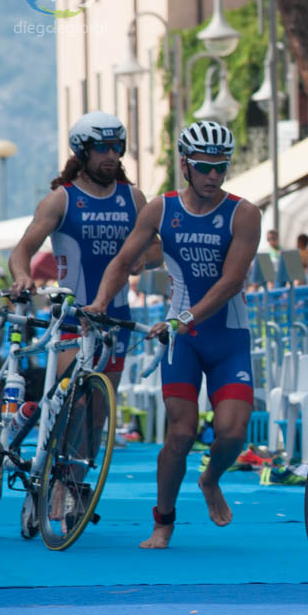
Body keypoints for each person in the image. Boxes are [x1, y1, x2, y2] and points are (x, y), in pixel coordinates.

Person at [86, 121, 261, 550]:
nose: (214, 177)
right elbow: (122, 260)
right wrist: (100, 303)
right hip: (181, 342)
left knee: (233, 433)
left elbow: (231, 282)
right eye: (204, 168)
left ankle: (211, 479)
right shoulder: (161, 209)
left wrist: (183, 318)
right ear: (185, 164)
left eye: (221, 168)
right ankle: (163, 521)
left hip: (226, 338)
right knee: (180, 434)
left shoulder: (244, 213)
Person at [9, 111, 158, 395]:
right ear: (82, 151)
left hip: (116, 316)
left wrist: (145, 258)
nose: (112, 155)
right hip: (72, 316)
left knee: (98, 413)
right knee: (73, 402)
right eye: (103, 148)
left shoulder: (133, 197)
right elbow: (21, 251)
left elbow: (156, 248)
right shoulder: (60, 199)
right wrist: (22, 277)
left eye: (117, 148)